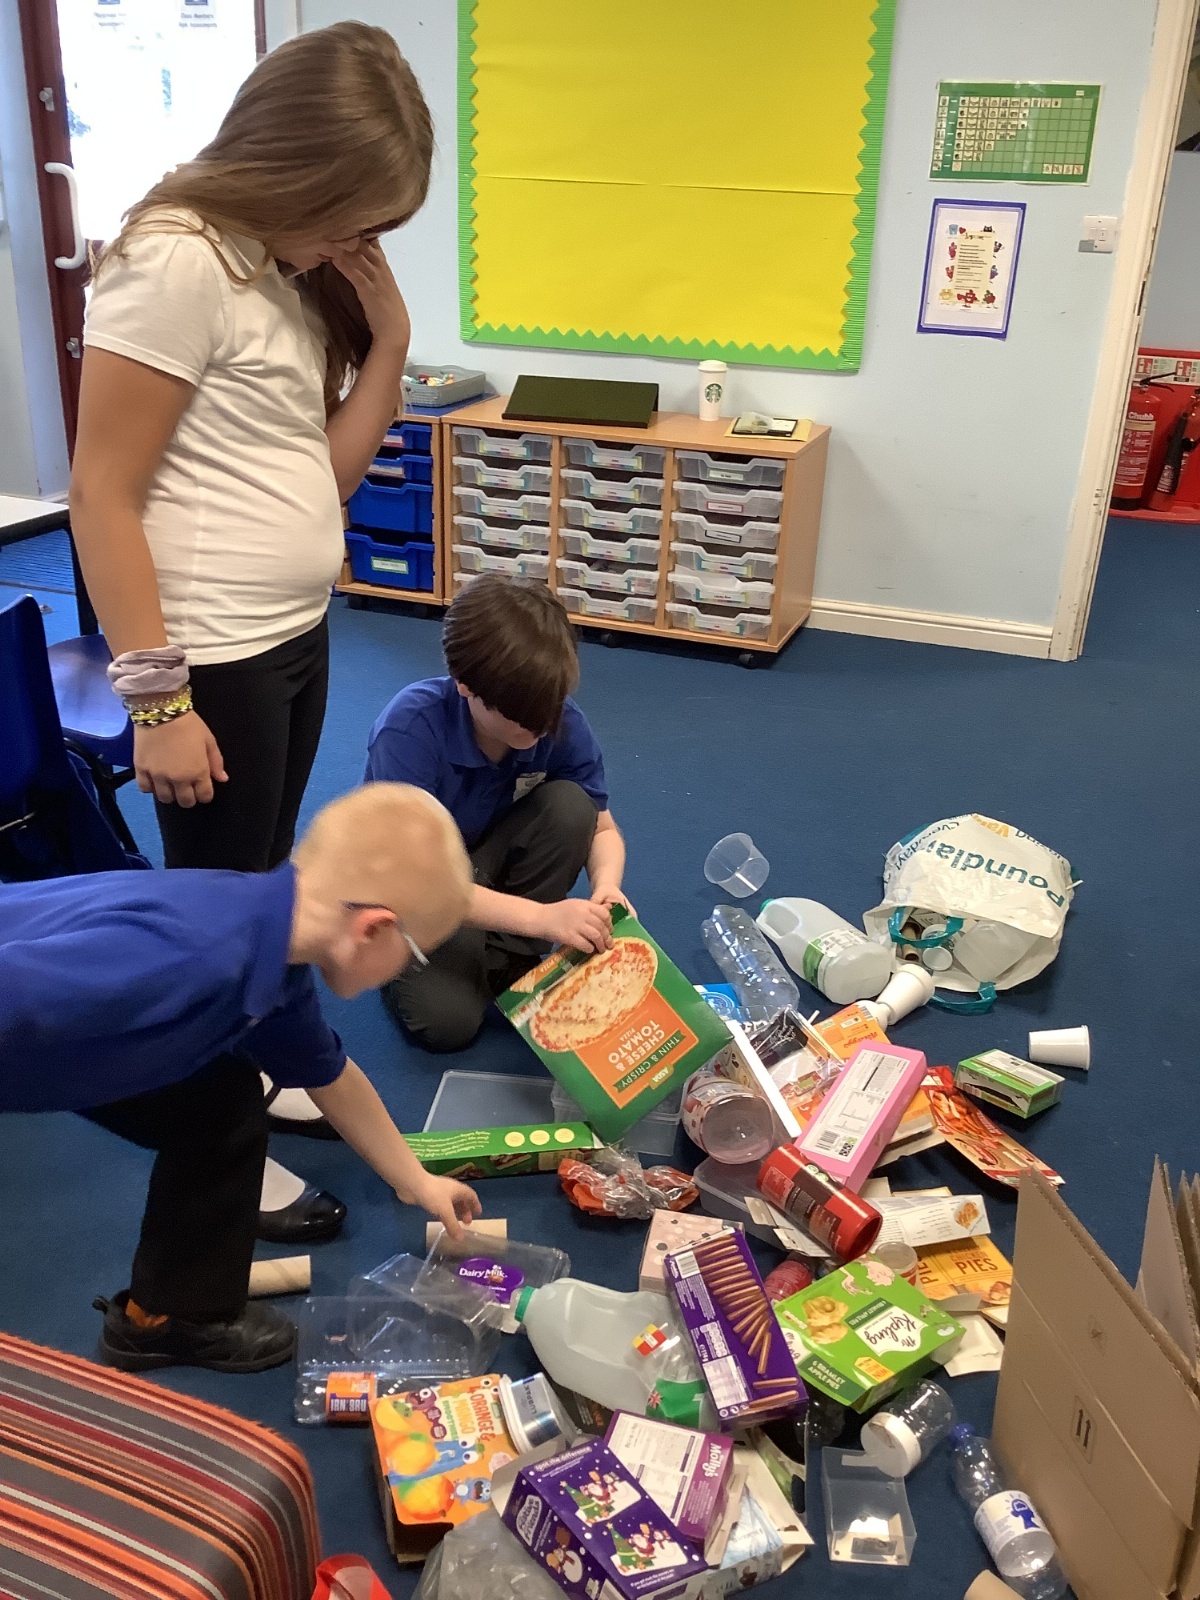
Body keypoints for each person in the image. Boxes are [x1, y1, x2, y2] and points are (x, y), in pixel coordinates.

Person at [68, 22, 433, 1184]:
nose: (352, 245)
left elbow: (321, 476)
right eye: (347, 216)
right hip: (209, 658)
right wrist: (159, 702)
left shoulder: (270, 266)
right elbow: (102, 492)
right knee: (214, 924)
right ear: (290, 166)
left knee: (262, 891)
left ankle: (259, 1072)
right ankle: (214, 1140)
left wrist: (390, 344)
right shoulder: (177, 258)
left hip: (289, 637)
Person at [0, 784, 481, 1373]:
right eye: (415, 955)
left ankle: (169, 1316)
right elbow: (19, 994)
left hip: (71, 1047)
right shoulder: (193, 956)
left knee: (222, 1099)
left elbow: (331, 1076)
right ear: (373, 930)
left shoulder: (275, 955)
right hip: (23, 1032)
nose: (406, 971)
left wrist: (416, 1180)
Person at [364, 575, 631, 1051]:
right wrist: (542, 918)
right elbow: (419, 885)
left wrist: (607, 885)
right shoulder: (408, 732)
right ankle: (413, 956)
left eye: (550, 708)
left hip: (483, 862)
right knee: (447, 1025)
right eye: (523, 717)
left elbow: (602, 828)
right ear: (465, 687)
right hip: (415, 890)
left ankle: (508, 956)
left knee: (573, 807)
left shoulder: (557, 718)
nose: (541, 727)